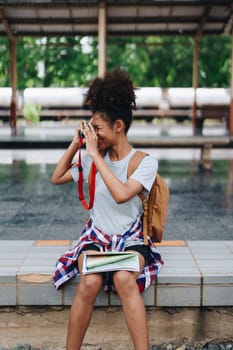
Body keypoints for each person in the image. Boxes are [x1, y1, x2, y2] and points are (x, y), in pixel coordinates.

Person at [51, 68, 163, 350]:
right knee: (89, 282)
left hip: (131, 237)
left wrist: (92, 156)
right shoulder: (92, 156)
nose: (94, 135)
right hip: (98, 236)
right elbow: (57, 176)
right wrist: (76, 142)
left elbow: (122, 194)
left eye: (97, 128)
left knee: (125, 280)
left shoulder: (144, 162)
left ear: (119, 126)